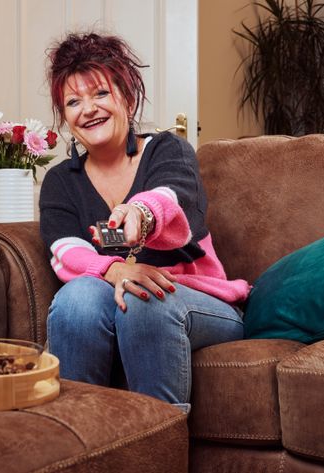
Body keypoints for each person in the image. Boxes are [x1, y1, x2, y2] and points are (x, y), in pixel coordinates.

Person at [40, 32, 249, 412]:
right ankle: (78, 440)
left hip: (199, 299)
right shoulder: (60, 182)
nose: (88, 109)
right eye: (73, 101)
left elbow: (173, 198)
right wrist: (116, 269)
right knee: (75, 299)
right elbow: (64, 249)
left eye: (100, 93)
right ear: (65, 117)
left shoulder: (169, 151)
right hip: (114, 294)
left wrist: (140, 214)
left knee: (146, 301)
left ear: (127, 97)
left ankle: (157, 446)